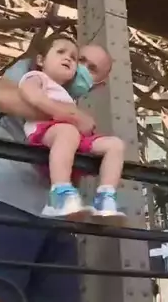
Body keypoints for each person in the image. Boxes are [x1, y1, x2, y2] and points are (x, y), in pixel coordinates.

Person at [0, 40, 115, 302]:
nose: (79, 66)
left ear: (98, 84)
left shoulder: (73, 101)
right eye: (82, 59)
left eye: (92, 69)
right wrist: (69, 118)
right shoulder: (31, 70)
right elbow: (0, 97)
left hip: (53, 216)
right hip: (5, 197)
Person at [18, 34, 126, 223]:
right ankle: (59, 193)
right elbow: (33, 97)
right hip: (46, 131)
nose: (70, 60)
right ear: (41, 60)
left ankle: (105, 197)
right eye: (80, 60)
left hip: (69, 135)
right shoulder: (36, 76)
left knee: (115, 145)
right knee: (68, 132)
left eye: (74, 58)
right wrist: (69, 116)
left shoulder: (68, 96)